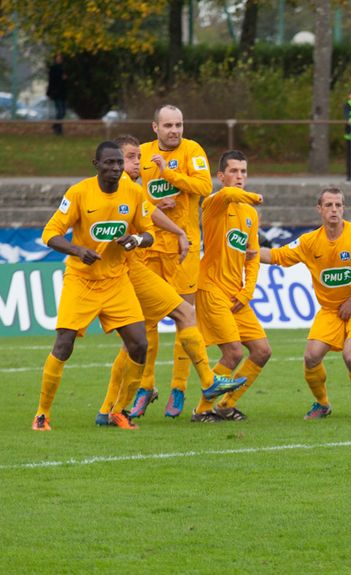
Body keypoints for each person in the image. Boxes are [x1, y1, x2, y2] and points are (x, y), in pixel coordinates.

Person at [95, 135, 246, 425]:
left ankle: (112, 409)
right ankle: (199, 382)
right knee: (148, 334)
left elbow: (148, 211)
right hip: (128, 271)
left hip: (131, 267)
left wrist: (171, 231)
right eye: (128, 158)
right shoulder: (122, 188)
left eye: (137, 158)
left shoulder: (124, 187)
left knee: (140, 338)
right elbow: (140, 217)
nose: (136, 163)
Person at [34, 142, 153, 430]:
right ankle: (42, 414)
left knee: (139, 344)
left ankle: (120, 411)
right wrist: (78, 251)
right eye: (109, 163)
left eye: (118, 163)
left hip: (116, 281)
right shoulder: (79, 193)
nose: (115, 168)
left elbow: (148, 233)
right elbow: (50, 234)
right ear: (96, 164)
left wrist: (135, 241)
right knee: (64, 343)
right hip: (81, 280)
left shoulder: (135, 193)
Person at [259, 188, 351, 420]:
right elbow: (278, 256)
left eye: (338, 205)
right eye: (329, 205)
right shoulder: (309, 242)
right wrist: (247, 251)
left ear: (343, 208)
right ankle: (322, 404)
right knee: (311, 356)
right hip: (330, 309)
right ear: (320, 209)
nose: (334, 210)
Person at [134, 104, 215, 418]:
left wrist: (169, 173)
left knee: (185, 316)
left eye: (179, 124)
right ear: (155, 127)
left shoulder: (192, 150)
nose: (175, 131)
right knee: (147, 322)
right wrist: (154, 203)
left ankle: (178, 388)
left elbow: (204, 187)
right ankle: (146, 385)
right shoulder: (141, 154)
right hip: (150, 248)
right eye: (168, 125)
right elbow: (131, 196)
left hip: (185, 249)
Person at [191, 150, 272, 422]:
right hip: (211, 288)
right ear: (221, 176)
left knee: (262, 351)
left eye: (244, 172)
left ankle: (226, 405)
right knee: (233, 352)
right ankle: (202, 409)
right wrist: (254, 196)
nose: (240, 176)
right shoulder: (214, 203)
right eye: (234, 171)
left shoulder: (249, 214)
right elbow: (228, 195)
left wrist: (247, 291)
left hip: (236, 294)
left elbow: (252, 256)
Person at [46, 53, 66, 136]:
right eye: (57, 58)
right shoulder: (53, 68)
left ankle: (57, 126)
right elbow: (51, 81)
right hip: (56, 93)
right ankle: (57, 127)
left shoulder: (63, 68)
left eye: (60, 58)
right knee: (60, 111)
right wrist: (50, 93)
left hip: (62, 93)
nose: (59, 59)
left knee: (62, 111)